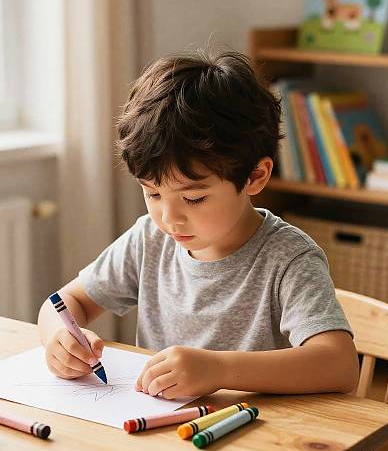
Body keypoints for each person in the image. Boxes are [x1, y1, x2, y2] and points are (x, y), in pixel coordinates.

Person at [38, 49, 359, 399]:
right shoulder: (149, 239)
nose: (169, 218)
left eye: (193, 198)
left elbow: (339, 365)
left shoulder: (288, 258)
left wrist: (220, 370)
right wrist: (59, 337)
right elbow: (66, 302)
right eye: (153, 194)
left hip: (251, 441)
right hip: (159, 438)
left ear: (255, 176)